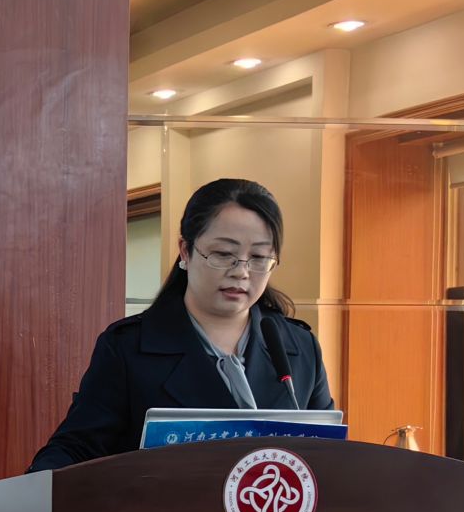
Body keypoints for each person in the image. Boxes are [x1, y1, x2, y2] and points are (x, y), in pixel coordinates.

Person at [30, 177, 333, 471]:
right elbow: (77, 449)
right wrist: (33, 490)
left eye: (258, 257)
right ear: (186, 251)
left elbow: (329, 455)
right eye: (223, 254)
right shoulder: (127, 348)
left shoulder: (300, 347)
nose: (241, 272)